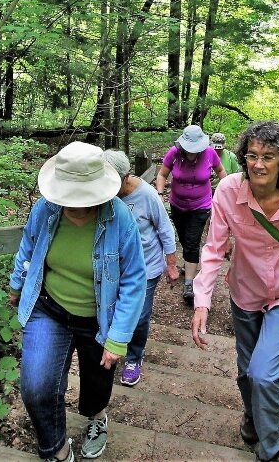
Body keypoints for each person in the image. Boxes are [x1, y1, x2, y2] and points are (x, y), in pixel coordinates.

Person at [189, 121, 279, 462]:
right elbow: (213, 249)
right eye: (252, 155)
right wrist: (202, 302)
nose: (258, 164)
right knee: (246, 370)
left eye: (268, 156)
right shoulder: (227, 191)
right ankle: (253, 417)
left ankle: (270, 449)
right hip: (246, 290)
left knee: (264, 374)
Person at [8, 141, 146, 462]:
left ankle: (97, 419)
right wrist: (17, 286)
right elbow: (27, 249)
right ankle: (56, 449)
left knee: (96, 387)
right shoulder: (45, 209)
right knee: (36, 387)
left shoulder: (120, 219)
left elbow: (134, 279)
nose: (75, 205)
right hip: (49, 308)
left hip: (100, 318)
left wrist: (119, 338)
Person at [103, 150, 179, 387]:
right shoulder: (102, 195)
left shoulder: (146, 195)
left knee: (139, 314)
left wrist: (172, 264)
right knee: (112, 308)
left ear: (125, 177)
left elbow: (165, 229)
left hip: (147, 267)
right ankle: (111, 345)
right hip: (114, 267)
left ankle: (134, 357)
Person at [156, 125, 227, 307]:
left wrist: (222, 191)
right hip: (177, 204)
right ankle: (189, 267)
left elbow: (221, 172)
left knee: (192, 241)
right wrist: (159, 193)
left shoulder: (210, 153)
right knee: (183, 238)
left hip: (201, 205)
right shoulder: (174, 153)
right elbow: (162, 174)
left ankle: (189, 284)